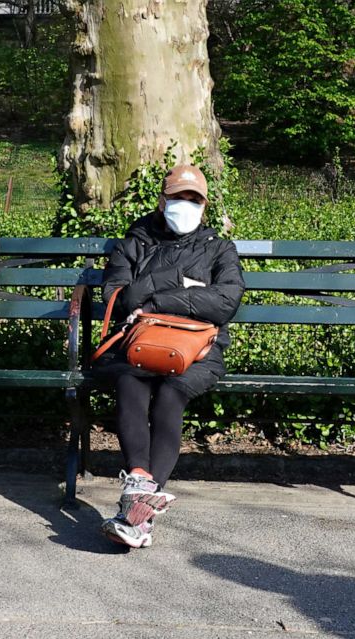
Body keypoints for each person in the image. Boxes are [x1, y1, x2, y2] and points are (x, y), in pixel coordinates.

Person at [96, 165, 244, 548]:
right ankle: (140, 506)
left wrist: (159, 297)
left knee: (170, 395)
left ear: (204, 207)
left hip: (198, 352)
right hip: (139, 345)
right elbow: (121, 296)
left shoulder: (218, 247)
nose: (186, 205)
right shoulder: (135, 242)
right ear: (162, 201)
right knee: (129, 384)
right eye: (179, 198)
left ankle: (135, 510)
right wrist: (183, 285)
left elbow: (225, 301)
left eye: (194, 200)